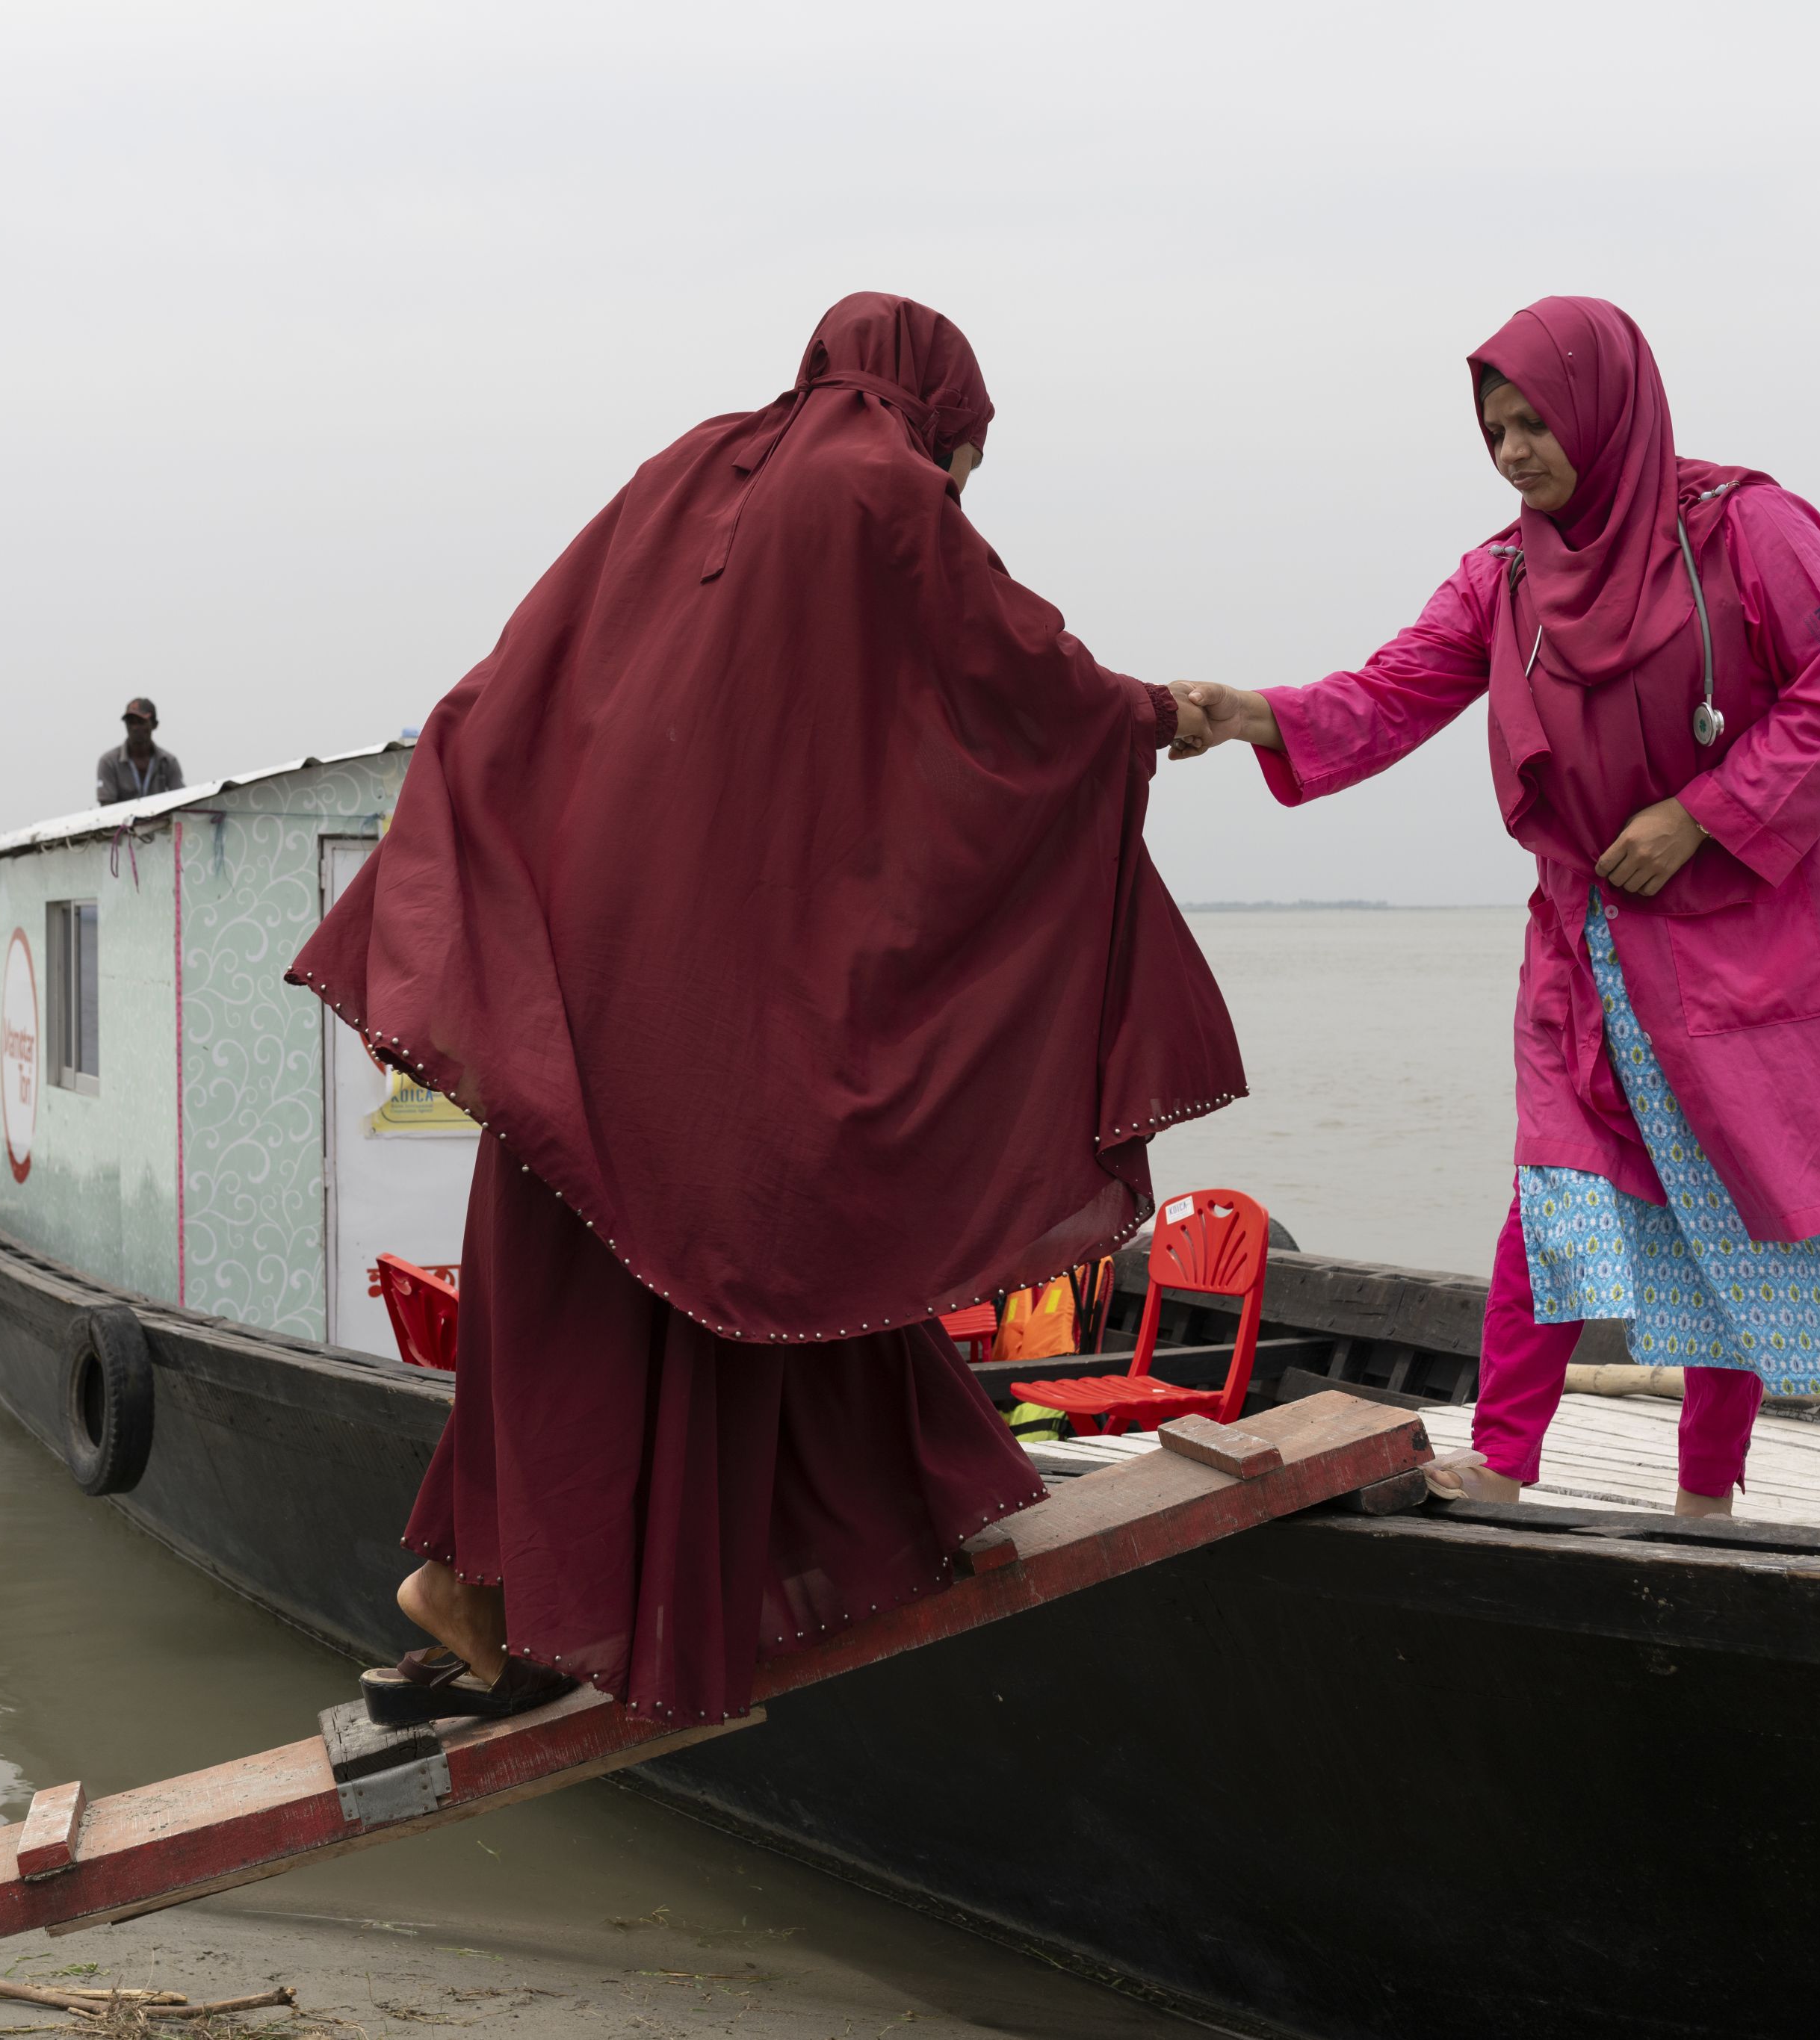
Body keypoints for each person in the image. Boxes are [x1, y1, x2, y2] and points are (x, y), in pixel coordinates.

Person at [290, 292, 1242, 1726]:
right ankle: (513, 1596)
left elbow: (529, 674)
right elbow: (1005, 677)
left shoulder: (691, 468)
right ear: (938, 415)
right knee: (778, 1255)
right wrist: (1158, 716)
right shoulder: (878, 486)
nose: (958, 487)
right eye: (966, 460)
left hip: (600, 977)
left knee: (607, 1293)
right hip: (712, 1010)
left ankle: (496, 1598)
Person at [1175, 296, 1820, 1519]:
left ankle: (1707, 1494)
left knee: (1733, 1201)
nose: (1516, 451)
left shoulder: (1745, 529)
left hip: (1747, 939)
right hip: (1587, 943)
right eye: (1495, 431)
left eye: (1538, 422)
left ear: (1608, 408)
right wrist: (1251, 715)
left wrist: (1700, 814)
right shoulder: (1502, 578)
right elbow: (1392, 693)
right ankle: (1504, 1457)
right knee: (1553, 1193)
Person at [96, 697, 185, 805]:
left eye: (141, 722)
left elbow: (181, 800)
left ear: (155, 724)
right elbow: (107, 807)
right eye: (130, 722)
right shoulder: (110, 762)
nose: (135, 727)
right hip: (122, 821)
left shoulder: (168, 762)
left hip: (162, 821)